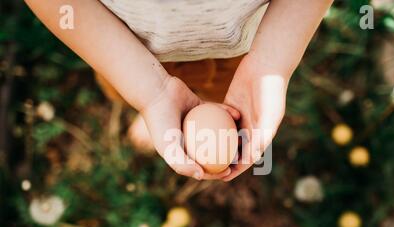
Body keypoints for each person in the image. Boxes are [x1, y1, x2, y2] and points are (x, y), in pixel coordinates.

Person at [24, 0, 333, 181]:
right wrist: (149, 93)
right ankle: (161, 105)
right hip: (122, 47)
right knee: (124, 88)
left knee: (225, 86)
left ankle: (208, 105)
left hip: (245, 42)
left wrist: (270, 61)